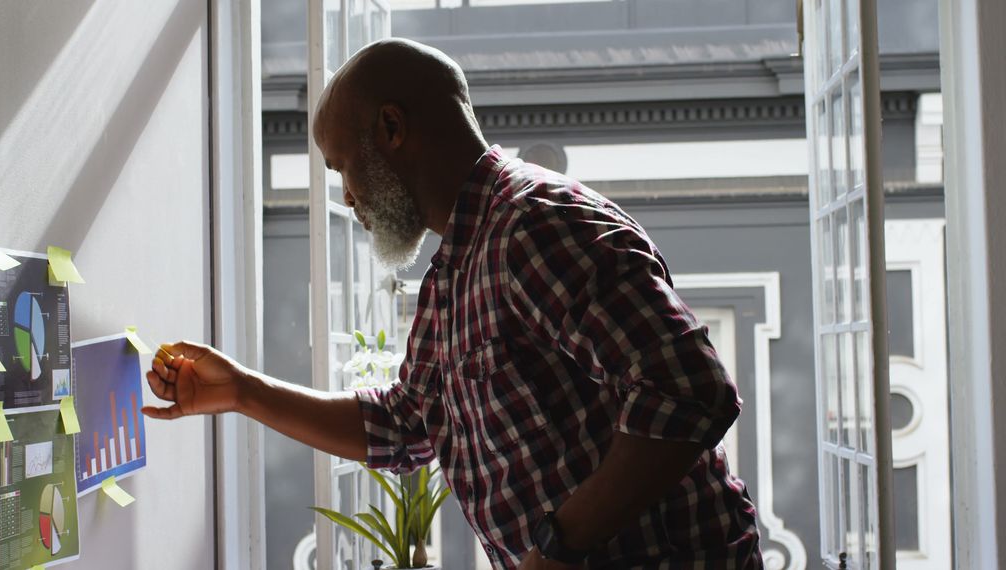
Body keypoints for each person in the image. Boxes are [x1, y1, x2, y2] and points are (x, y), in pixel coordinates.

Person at [144, 38, 762, 569]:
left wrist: (557, 547)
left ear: (392, 128)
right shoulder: (452, 273)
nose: (349, 198)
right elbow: (406, 424)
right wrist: (241, 391)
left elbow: (689, 392)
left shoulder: (536, 226)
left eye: (343, 167)